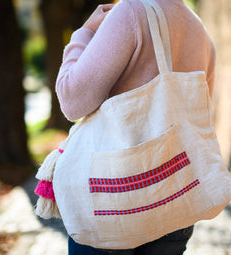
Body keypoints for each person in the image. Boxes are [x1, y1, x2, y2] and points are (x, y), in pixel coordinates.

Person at [55, 0, 216, 254]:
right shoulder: (200, 31)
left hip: (114, 200)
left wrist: (84, 32)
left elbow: (71, 100)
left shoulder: (130, 13)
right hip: (174, 202)